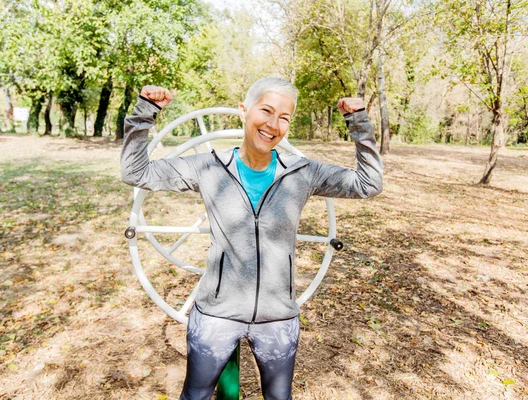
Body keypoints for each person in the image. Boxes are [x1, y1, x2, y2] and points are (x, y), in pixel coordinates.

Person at [120, 77, 383, 400]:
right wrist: (145, 111)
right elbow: (135, 173)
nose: (273, 125)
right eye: (266, 111)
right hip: (216, 315)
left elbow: (368, 184)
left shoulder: (302, 172)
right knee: (196, 395)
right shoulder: (208, 167)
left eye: (284, 118)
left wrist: (358, 122)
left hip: (277, 318)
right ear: (244, 110)